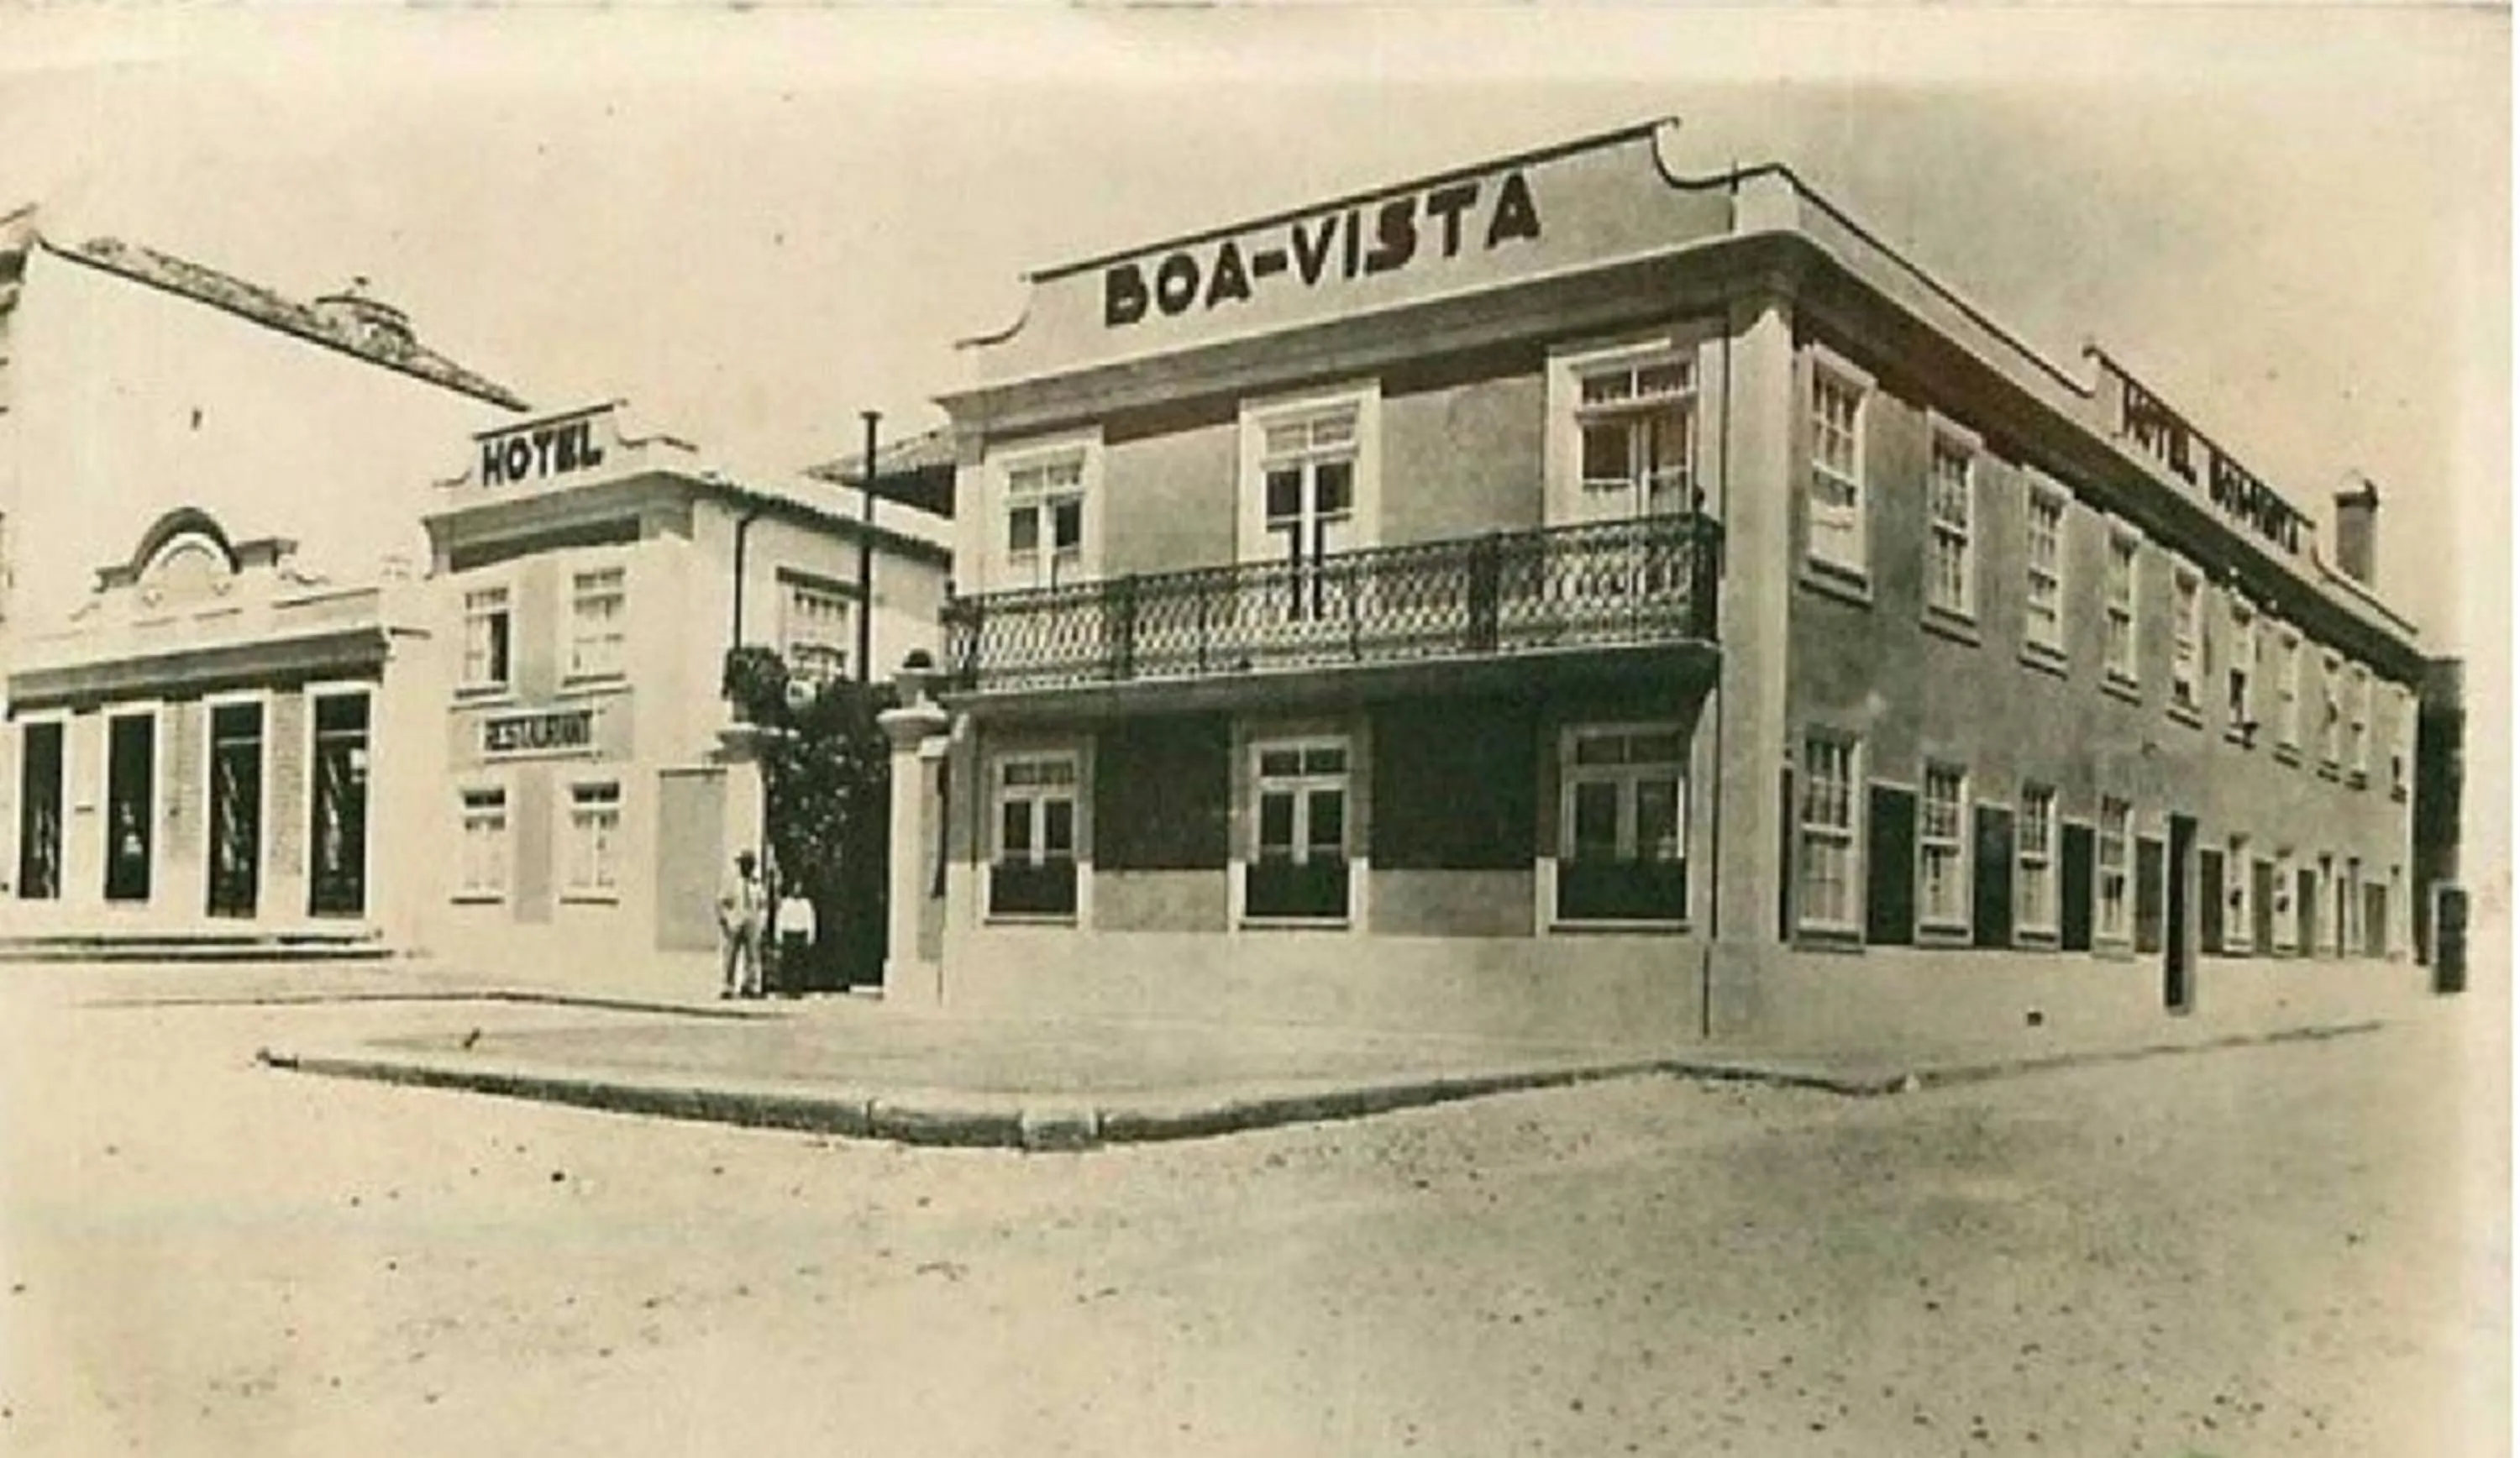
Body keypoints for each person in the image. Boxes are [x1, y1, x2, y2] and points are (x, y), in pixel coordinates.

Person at [717, 849, 768, 999]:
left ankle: (750, 986)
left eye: (749, 864)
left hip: (752, 921)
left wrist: (761, 922)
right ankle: (728, 986)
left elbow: (763, 905)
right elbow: (721, 902)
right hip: (735, 920)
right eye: (744, 863)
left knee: (752, 955)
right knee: (730, 955)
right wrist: (725, 921)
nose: (746, 867)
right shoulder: (732, 882)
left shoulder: (757, 884)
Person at [774, 876, 817, 998]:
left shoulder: (806, 904)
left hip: (800, 935)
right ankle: (788, 988)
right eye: (795, 887)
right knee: (789, 963)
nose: (797, 889)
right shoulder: (786, 903)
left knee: (800, 964)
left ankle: (798, 989)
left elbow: (810, 921)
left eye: (799, 887)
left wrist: (810, 937)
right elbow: (780, 921)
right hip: (789, 935)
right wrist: (779, 937)